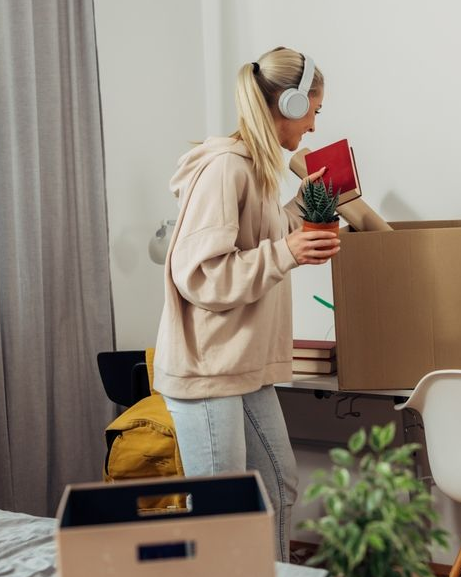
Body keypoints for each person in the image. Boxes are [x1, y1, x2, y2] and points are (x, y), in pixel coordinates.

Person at [153, 46, 338, 562]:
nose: (314, 126)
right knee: (224, 511)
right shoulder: (225, 169)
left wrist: (301, 209)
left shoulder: (257, 169)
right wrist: (287, 252)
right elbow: (201, 274)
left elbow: (261, 235)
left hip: (243, 364)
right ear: (292, 104)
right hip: (210, 366)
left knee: (277, 486)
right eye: (314, 112)